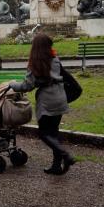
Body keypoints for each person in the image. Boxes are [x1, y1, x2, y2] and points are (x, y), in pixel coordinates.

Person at [9, 33, 76, 175]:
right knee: (53, 131)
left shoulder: (36, 63)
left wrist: (12, 84)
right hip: (60, 97)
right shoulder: (55, 59)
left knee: (44, 133)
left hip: (48, 100)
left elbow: (27, 86)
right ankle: (56, 166)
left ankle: (65, 155)